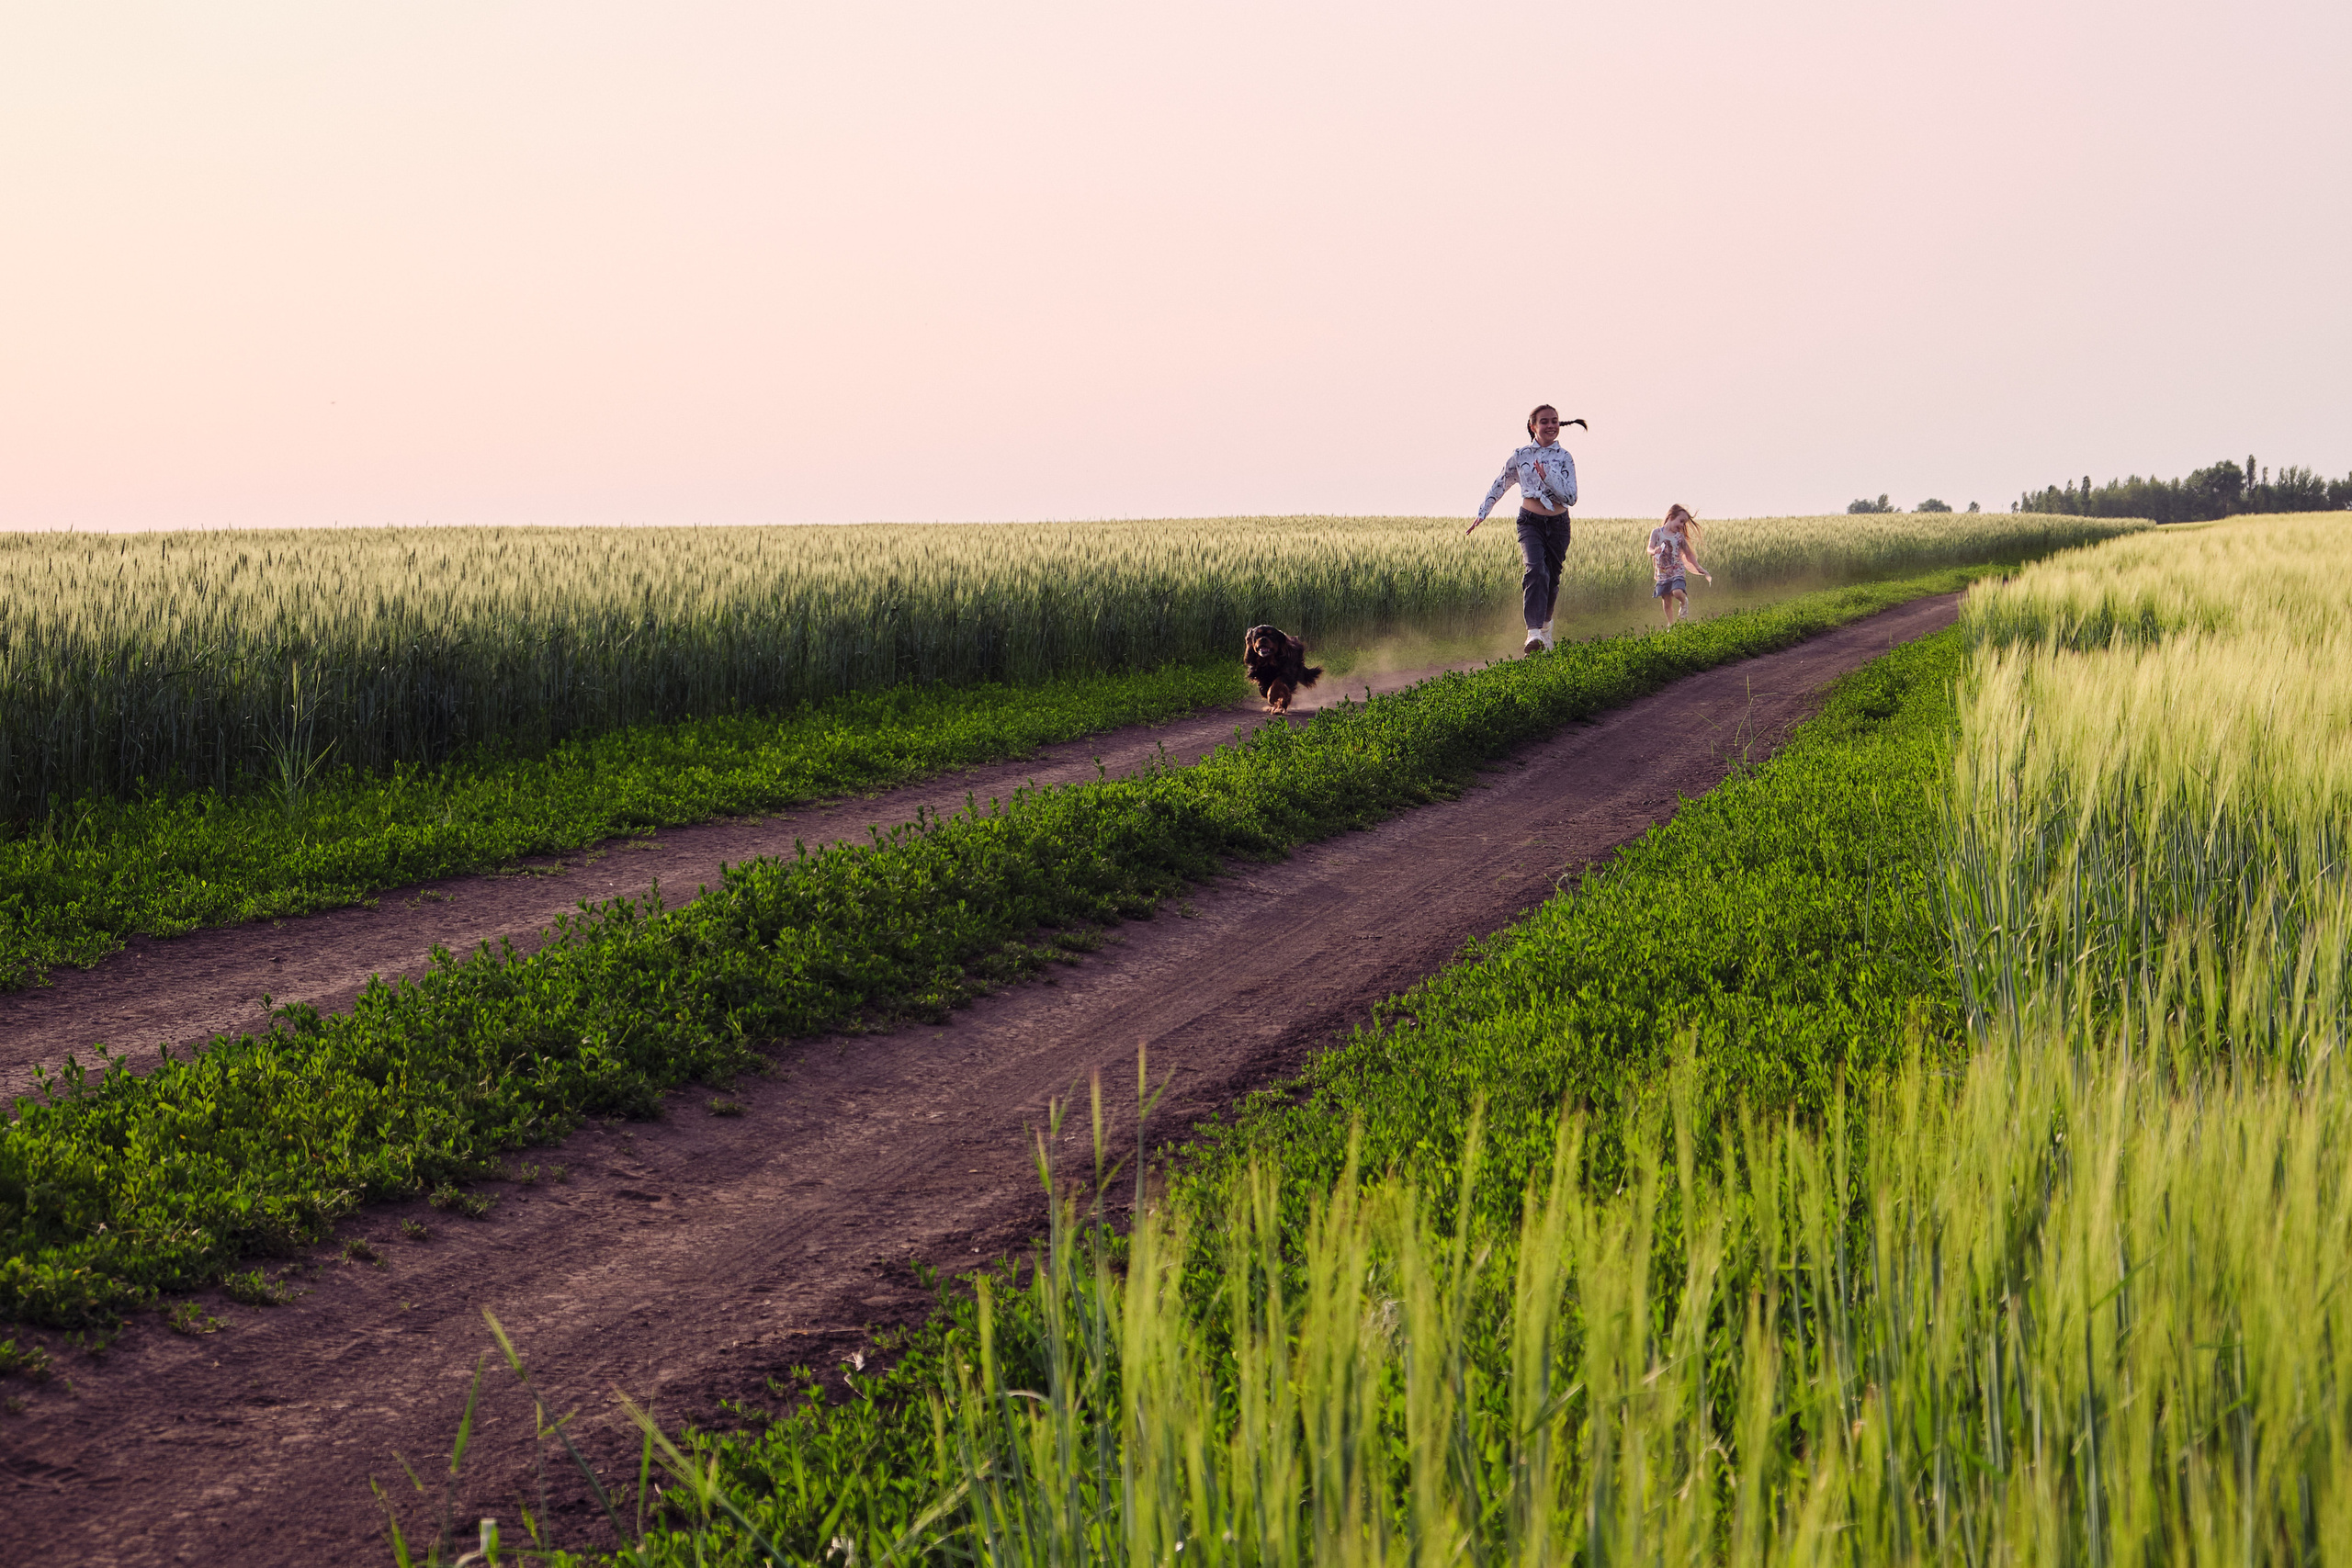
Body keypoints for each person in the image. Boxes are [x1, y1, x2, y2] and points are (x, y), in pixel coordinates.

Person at [1466, 405, 1580, 655]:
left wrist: (1548, 477)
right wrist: (1482, 513)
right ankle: (1533, 633)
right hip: (1530, 521)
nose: (1551, 426)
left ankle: (1546, 626)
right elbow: (1500, 483)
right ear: (1533, 426)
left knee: (1551, 580)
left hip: (1559, 525)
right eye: (1544, 422)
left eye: (1555, 421)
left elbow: (1571, 497)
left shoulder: (1565, 457)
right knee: (1535, 571)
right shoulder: (1521, 455)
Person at [1647, 504, 1713, 626]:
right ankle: (1671, 624)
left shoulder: (1679, 537)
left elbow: (1688, 554)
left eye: (1684, 523)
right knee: (1666, 601)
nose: (1682, 525)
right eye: (1681, 521)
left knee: (1677, 592)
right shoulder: (1656, 532)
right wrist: (1653, 551)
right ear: (1671, 516)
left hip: (1677, 571)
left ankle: (1684, 601)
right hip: (1662, 573)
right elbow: (1649, 548)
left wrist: (1697, 567)